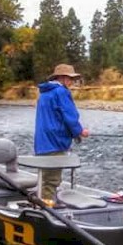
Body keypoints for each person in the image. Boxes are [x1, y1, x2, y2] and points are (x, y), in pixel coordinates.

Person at [34, 63, 90, 202]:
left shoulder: (44, 93)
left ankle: (44, 203)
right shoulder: (61, 92)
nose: (71, 82)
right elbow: (69, 116)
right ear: (62, 78)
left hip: (42, 142)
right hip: (55, 142)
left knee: (45, 177)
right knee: (52, 179)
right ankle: (46, 210)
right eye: (70, 78)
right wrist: (80, 131)